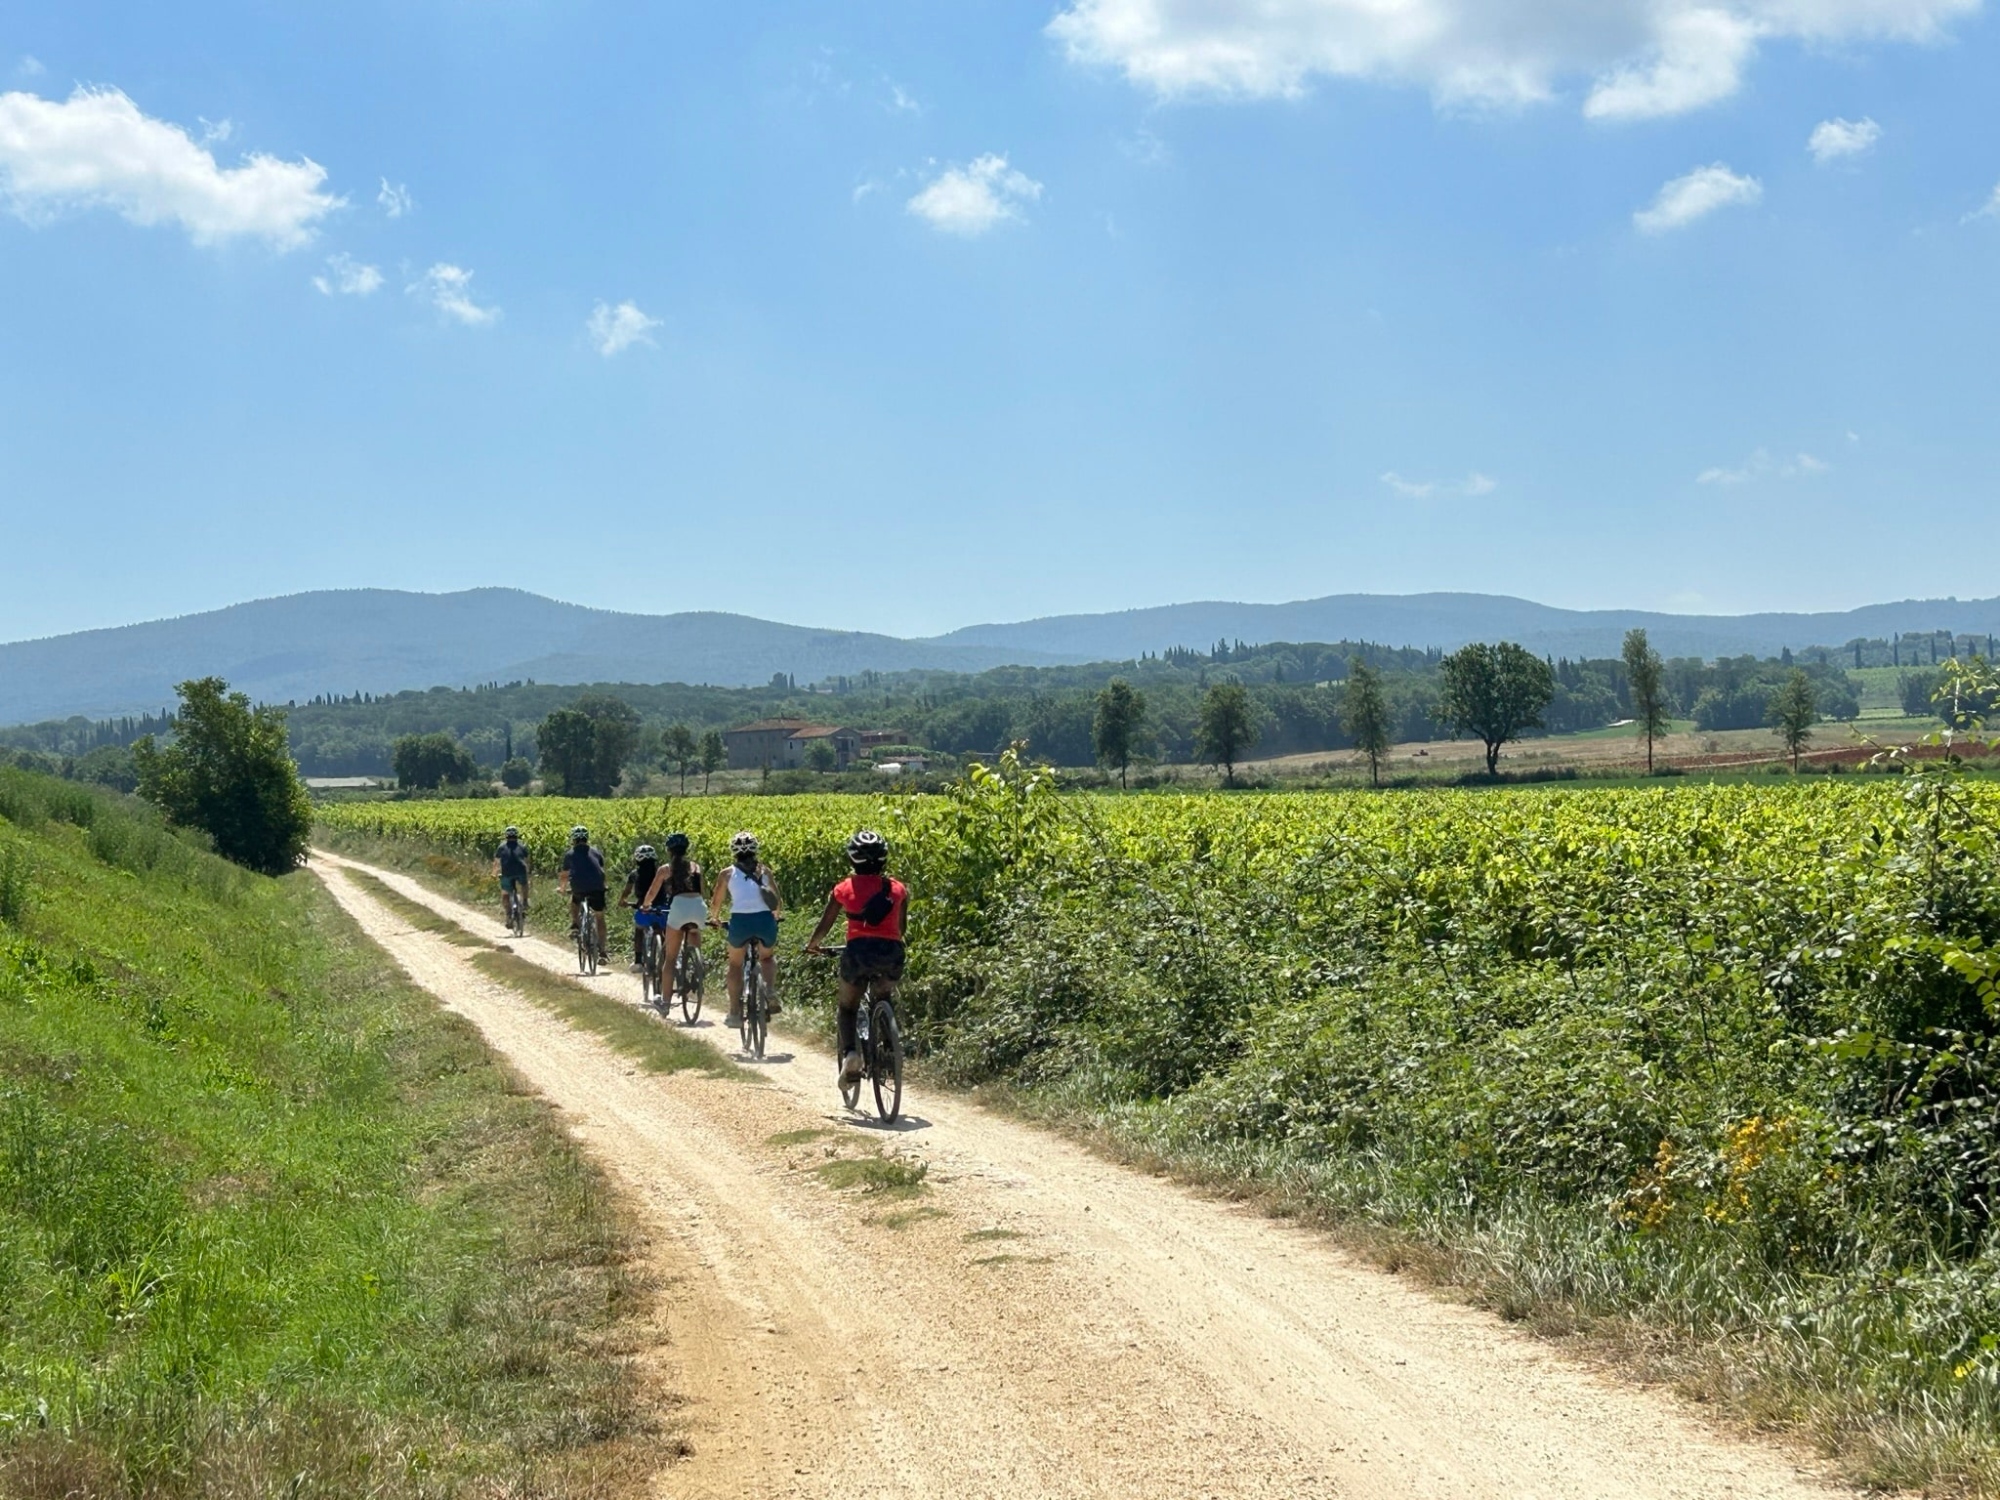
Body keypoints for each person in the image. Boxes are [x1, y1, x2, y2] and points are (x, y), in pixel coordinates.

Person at [805, 829, 907, 1086]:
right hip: (891, 954)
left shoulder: (843, 888)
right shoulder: (897, 889)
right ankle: (889, 1050)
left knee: (848, 1006)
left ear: (852, 859)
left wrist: (813, 945)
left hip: (858, 954)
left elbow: (825, 924)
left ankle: (851, 1055)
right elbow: (901, 929)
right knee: (883, 996)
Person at [708, 831, 783, 1029]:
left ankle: (734, 1013)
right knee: (767, 958)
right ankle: (769, 990)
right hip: (764, 921)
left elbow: (716, 902)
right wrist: (776, 916)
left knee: (735, 964)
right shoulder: (765, 871)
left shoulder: (727, 873)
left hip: (740, 922)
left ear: (733, 852)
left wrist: (714, 918)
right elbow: (777, 902)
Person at [642, 832, 707, 1000]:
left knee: (670, 959)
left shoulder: (665, 869)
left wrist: (646, 906)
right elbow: (702, 891)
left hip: (679, 907)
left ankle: (665, 1002)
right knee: (694, 934)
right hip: (698, 906)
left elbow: (652, 892)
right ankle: (698, 966)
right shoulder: (696, 867)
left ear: (669, 850)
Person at [558, 826, 609, 957]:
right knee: (599, 917)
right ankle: (603, 951)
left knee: (575, 900)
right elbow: (601, 871)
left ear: (573, 839)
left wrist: (562, 889)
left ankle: (575, 924)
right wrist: (604, 885)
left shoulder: (570, 854)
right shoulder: (596, 852)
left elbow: (564, 875)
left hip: (579, 886)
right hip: (597, 887)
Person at [620, 843, 663, 972]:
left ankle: (638, 961)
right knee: (665, 930)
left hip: (644, 908)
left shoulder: (634, 874)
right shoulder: (661, 872)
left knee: (639, 930)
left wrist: (622, 900)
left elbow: (627, 891)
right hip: (661, 908)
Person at [492, 825, 530, 927]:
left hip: (507, 873)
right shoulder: (522, 846)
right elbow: (527, 860)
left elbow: (496, 861)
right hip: (520, 872)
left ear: (506, 836)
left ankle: (508, 915)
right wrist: (528, 871)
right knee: (524, 884)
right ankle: (525, 901)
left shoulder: (501, 847)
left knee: (505, 895)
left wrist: (494, 873)